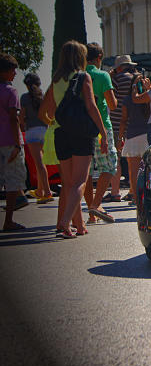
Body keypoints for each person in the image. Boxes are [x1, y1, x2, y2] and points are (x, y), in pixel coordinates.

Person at [39, 41, 108, 238]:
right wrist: (102, 132)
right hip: (80, 132)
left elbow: (45, 111)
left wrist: (52, 122)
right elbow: (91, 107)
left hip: (61, 132)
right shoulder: (82, 76)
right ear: (81, 57)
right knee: (80, 181)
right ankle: (64, 221)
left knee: (68, 183)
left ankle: (77, 226)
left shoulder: (56, 79)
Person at [83, 43, 118, 224]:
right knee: (110, 166)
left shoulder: (79, 76)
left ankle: (91, 214)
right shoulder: (102, 75)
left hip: (82, 129)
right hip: (101, 127)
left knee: (87, 172)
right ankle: (96, 204)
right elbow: (112, 105)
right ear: (99, 57)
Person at [0, 53, 28, 232]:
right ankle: (8, 220)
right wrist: (18, 143)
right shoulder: (11, 92)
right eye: (12, 70)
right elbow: (13, 118)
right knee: (12, 181)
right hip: (9, 141)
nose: (15, 73)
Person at [104, 54, 137, 203]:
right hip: (135, 123)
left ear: (118, 68)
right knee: (133, 159)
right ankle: (132, 190)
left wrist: (111, 76)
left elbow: (112, 101)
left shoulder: (116, 79)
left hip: (117, 123)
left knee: (115, 158)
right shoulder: (137, 78)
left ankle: (115, 192)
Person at [19, 72, 53, 204]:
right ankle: (40, 190)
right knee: (41, 163)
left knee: (39, 164)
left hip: (32, 131)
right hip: (44, 130)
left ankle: (47, 192)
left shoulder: (24, 97)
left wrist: (22, 125)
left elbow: (21, 116)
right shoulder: (42, 96)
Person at [118, 75, 150, 206]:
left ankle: (136, 198)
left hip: (132, 136)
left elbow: (124, 119)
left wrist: (120, 137)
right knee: (148, 170)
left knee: (133, 171)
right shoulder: (149, 97)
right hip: (148, 135)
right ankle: (147, 197)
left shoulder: (127, 99)